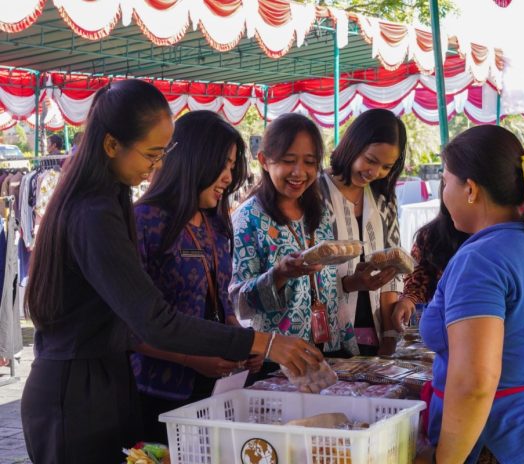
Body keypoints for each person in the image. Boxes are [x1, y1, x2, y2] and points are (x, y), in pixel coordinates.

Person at [20, 80, 322, 464]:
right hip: (76, 396)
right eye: (151, 153)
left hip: (108, 382)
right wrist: (261, 343)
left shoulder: (109, 200)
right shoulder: (92, 213)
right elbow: (153, 320)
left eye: (164, 152)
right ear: (112, 146)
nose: (158, 164)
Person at [415, 125, 524, 464]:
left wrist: (445, 461)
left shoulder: (479, 260)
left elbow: (476, 382)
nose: (443, 192)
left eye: (445, 181)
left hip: (508, 443)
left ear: (470, 189)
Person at [130, 110, 262, 443]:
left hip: (216, 389)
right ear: (193, 159)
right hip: (157, 393)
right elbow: (128, 326)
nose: (228, 178)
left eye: (233, 167)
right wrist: (191, 358)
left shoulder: (216, 224)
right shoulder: (144, 222)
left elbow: (220, 304)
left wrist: (245, 344)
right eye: (223, 164)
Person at [231, 113, 349, 356]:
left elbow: (327, 284)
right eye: (288, 160)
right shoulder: (247, 218)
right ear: (264, 160)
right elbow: (238, 303)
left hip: (327, 350)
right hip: (275, 359)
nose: (299, 172)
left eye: (309, 162)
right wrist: (279, 275)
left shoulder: (319, 212)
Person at [318, 108, 406, 356]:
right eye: (370, 160)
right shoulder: (316, 193)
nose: (374, 172)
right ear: (352, 145)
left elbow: (393, 273)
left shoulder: (383, 199)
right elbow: (307, 271)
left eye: (386, 166)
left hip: (374, 335)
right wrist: (350, 284)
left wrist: (389, 335)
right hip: (323, 338)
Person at [391, 187, 469, 329]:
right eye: (443, 183)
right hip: (441, 328)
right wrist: (408, 300)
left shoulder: (499, 240)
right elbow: (417, 279)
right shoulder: (431, 235)